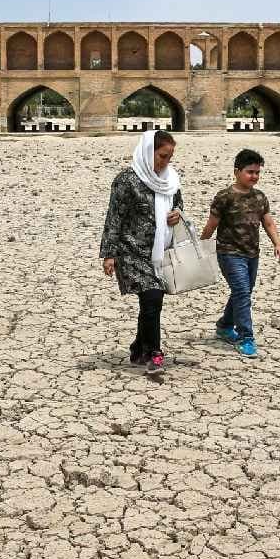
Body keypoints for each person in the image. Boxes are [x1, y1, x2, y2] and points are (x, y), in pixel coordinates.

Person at [100, 130, 183, 375]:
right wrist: (109, 254)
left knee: (150, 301)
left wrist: (177, 213)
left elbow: (177, 203)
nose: (165, 162)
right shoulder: (126, 180)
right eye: (162, 156)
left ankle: (138, 347)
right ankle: (154, 353)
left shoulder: (170, 179)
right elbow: (114, 218)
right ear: (148, 152)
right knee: (152, 298)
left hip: (159, 250)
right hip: (131, 251)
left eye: (169, 157)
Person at [200, 149, 280, 358]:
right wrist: (200, 248)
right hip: (229, 253)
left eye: (257, 172)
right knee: (242, 292)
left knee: (243, 291)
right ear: (237, 172)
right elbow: (211, 225)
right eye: (250, 172)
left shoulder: (260, 197)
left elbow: (268, 223)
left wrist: (278, 244)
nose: (254, 176)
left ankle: (224, 325)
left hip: (252, 254)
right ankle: (246, 337)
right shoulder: (224, 197)